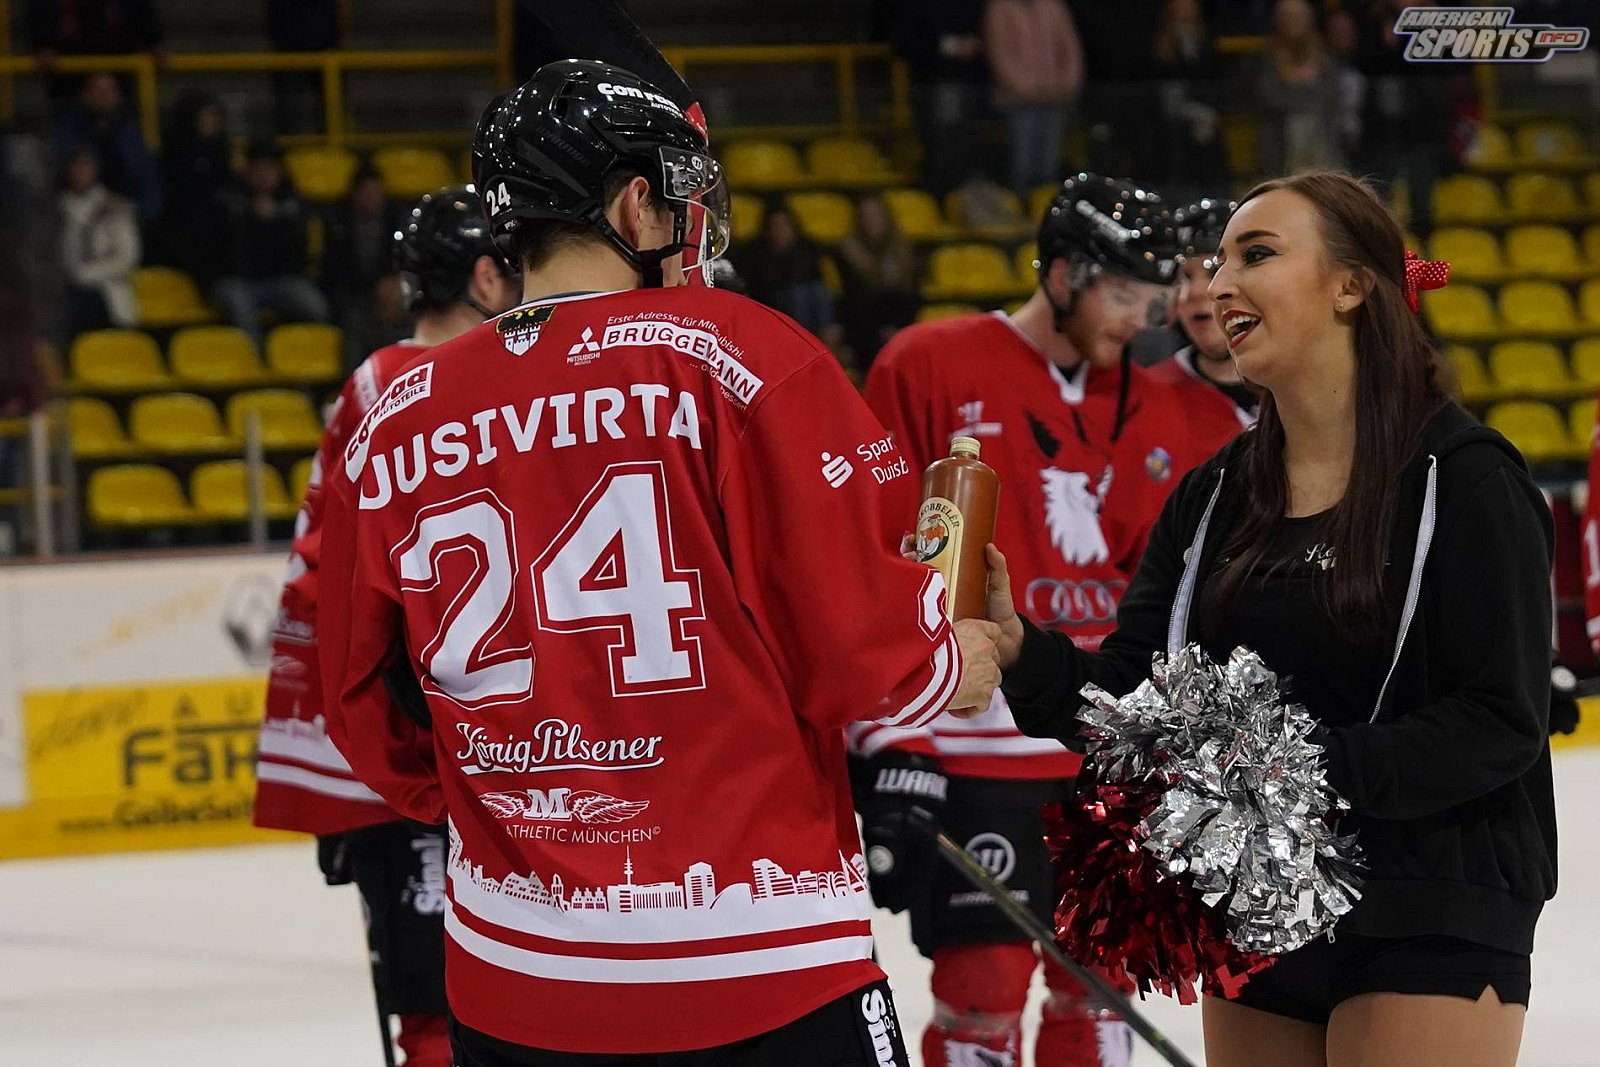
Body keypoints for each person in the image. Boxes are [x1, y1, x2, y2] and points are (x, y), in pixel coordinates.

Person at [316, 59, 1002, 1066]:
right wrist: (950, 656)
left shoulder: (397, 415)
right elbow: (857, 646)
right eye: (681, 199)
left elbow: (360, 697)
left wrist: (505, 816)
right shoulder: (737, 352)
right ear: (635, 203)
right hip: (759, 957)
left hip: (516, 977)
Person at [989, 171, 1555, 1067]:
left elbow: (1500, 719)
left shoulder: (1468, 479)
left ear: (1350, 285)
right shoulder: (1213, 494)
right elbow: (1138, 692)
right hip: (1261, 897)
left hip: (1430, 895)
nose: (1219, 284)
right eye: (1217, 263)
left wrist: (1291, 773)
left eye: (1255, 254)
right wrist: (1023, 652)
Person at [854, 173, 1237, 1067]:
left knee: (1099, 988)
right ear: (1063, 275)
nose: (1137, 320)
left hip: (1109, 744)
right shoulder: (927, 363)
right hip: (974, 737)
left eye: (1150, 300)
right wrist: (890, 739)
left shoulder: (1163, 399)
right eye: (1121, 294)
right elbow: (872, 552)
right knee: (981, 990)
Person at [252, 185, 522, 1067]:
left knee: (447, 1010)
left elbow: (319, 585)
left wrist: (334, 789)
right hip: (484, 749)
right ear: (484, 277)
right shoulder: (473, 378)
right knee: (476, 1010)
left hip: (422, 753)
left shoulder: (374, 382)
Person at [1144, 197, 1258, 439]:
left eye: (1215, 271)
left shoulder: (1304, 382)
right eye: (1183, 277)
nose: (1195, 291)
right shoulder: (1147, 394)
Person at [213, 138, 329, 347]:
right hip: (239, 281)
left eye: (269, 168)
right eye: (258, 169)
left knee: (314, 305)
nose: (263, 175)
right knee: (241, 308)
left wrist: (277, 219)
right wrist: (249, 213)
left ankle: (297, 357)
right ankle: (256, 362)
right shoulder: (228, 198)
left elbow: (300, 250)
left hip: (281, 280)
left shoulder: (292, 202)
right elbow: (217, 249)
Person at [982, 0, 1083, 194]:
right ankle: (1022, 205)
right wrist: (1027, 89)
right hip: (1018, 102)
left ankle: (1044, 204)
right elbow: (999, 51)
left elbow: (1069, 47)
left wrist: (1066, 85)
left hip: (1053, 98)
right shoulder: (1000, 8)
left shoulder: (1052, 6)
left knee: (1050, 163)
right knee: (1022, 164)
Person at [58, 145, 141, 339]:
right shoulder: (55, 208)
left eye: (85, 165)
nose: (80, 171)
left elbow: (128, 258)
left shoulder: (115, 206)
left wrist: (82, 275)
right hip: (63, 293)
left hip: (106, 293)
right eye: (75, 165)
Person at [836, 194, 919, 371]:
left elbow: (912, 296)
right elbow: (852, 301)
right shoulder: (848, 254)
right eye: (866, 217)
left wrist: (897, 329)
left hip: (900, 327)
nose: (871, 222)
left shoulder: (903, 251)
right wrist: (880, 332)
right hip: (863, 332)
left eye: (876, 215)